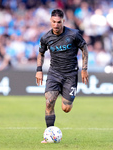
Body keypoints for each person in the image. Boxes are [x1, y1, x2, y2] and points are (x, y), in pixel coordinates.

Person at [35, 9, 89, 143]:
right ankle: (49, 134)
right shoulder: (46, 37)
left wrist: (84, 69)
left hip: (70, 74)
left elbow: (84, 48)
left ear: (63, 21)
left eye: (59, 22)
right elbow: (41, 53)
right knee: (49, 102)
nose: (56, 25)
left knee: (66, 109)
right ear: (50, 21)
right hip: (54, 73)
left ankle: (64, 96)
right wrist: (39, 70)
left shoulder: (74, 34)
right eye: (54, 22)